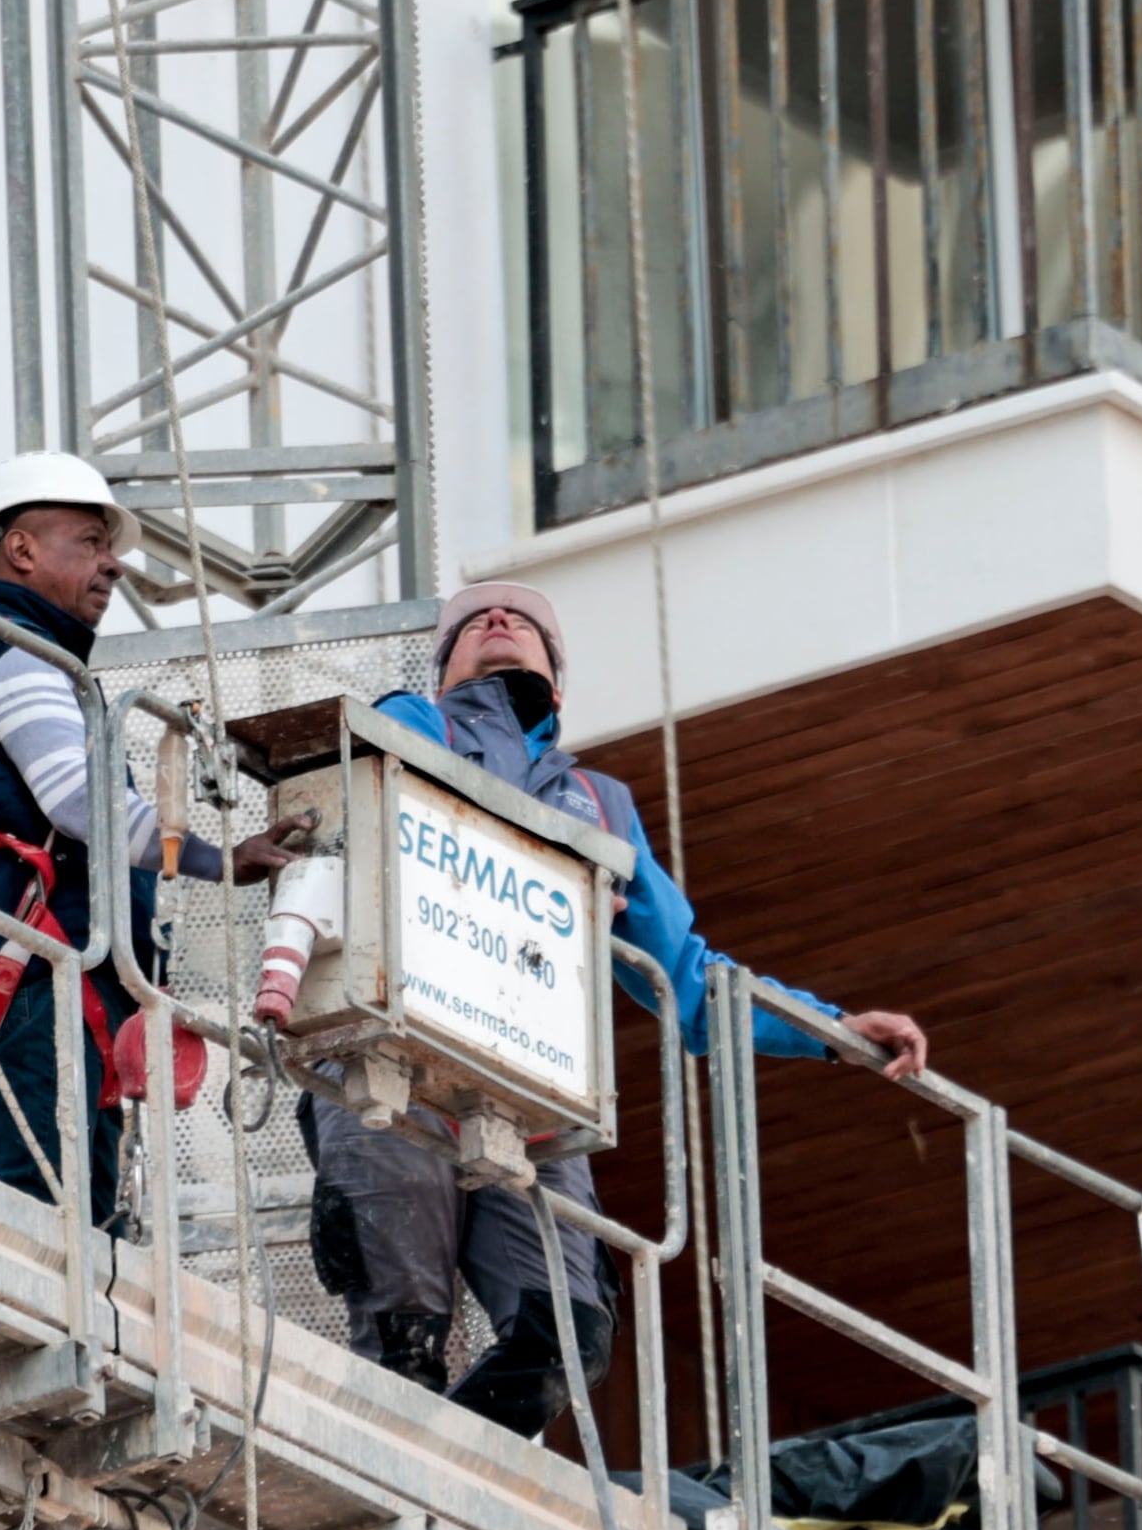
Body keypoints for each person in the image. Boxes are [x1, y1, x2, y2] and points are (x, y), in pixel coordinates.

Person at [271, 577, 929, 1436]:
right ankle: (409, 1464)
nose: (496, 620)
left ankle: (446, 1469)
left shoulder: (599, 805)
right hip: (387, 1069)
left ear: (558, 677)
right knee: (404, 1337)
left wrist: (829, 1031)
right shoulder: (407, 725)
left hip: (527, 1100)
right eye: (472, 624)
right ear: (441, 674)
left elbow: (688, 976)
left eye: (520, 622)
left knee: (566, 1345)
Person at [0, 451, 308, 1221]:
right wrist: (221, 859)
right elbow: (84, 806)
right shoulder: (19, 652)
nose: (113, 564)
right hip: (42, 971)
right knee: (55, 1211)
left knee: (68, 1199)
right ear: (21, 548)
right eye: (89, 541)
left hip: (32, 971)